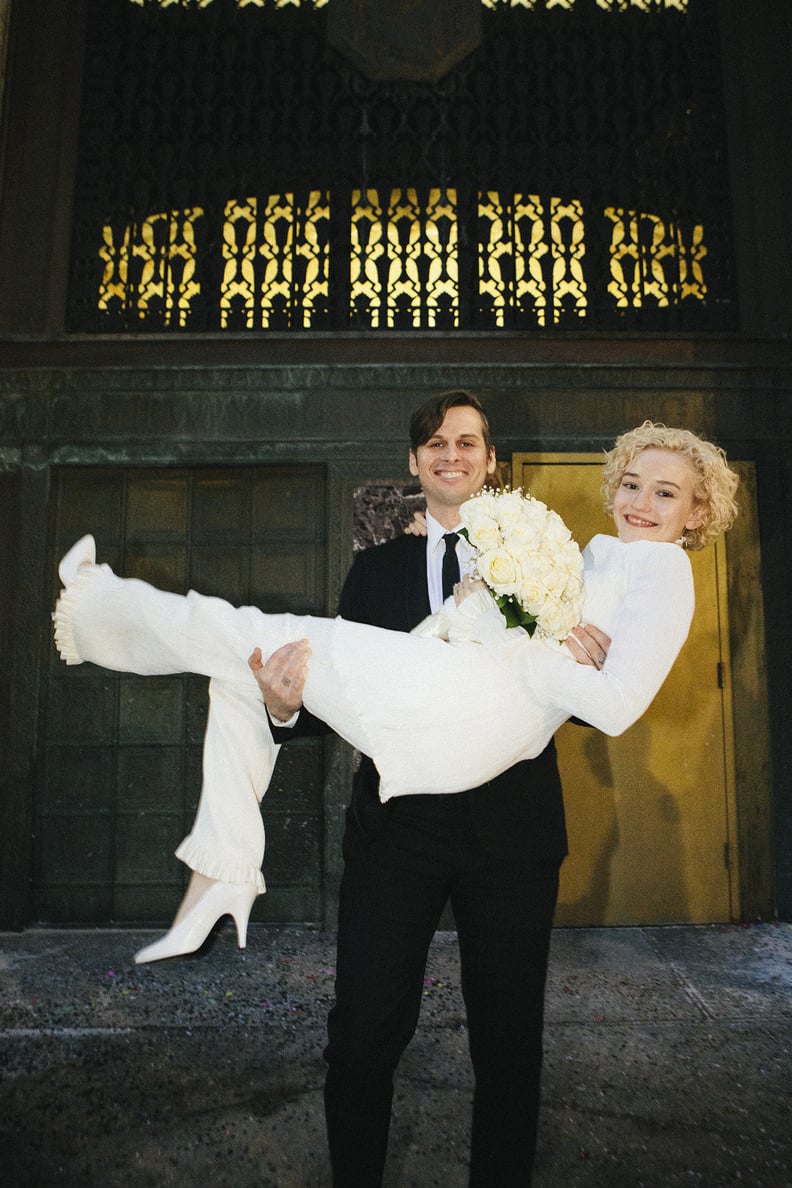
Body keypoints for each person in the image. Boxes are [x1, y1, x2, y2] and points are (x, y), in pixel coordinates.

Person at [52, 401, 738, 1186]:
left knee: (507, 1044)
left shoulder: (553, 547)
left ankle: (110, 620)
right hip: (398, 832)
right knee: (364, 1036)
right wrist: (283, 705)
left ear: (491, 463)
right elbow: (327, 705)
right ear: (414, 465)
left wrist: (545, 651)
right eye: (436, 444)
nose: (452, 455)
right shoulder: (404, 566)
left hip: (509, 831)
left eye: (468, 443)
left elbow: (591, 699)